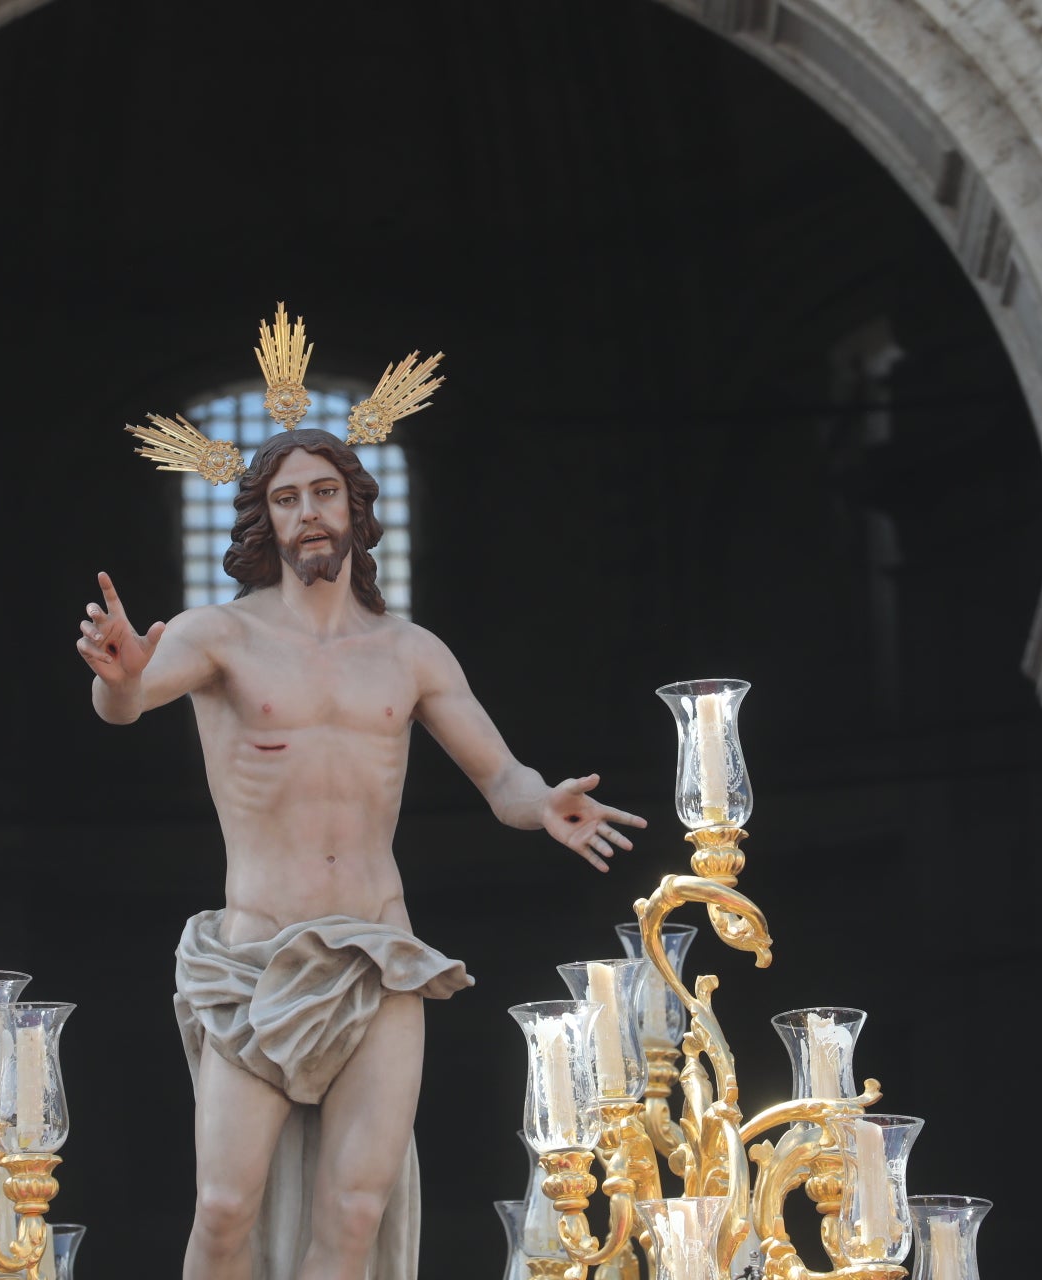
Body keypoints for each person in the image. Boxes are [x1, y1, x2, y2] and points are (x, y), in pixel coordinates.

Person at [78, 337, 643, 1280]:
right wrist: (124, 675)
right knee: (222, 1205)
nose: (308, 513)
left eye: (324, 494)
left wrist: (543, 801)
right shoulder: (220, 636)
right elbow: (126, 703)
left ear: (354, 508)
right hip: (255, 951)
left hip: (379, 951)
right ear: (264, 517)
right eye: (287, 498)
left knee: (354, 1212)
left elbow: (497, 777)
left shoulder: (411, 652)